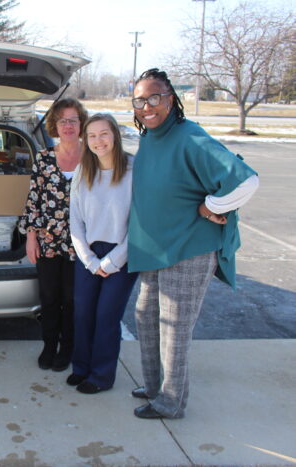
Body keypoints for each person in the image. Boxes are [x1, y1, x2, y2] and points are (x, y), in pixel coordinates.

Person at [128, 68, 259, 419]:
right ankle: (154, 385)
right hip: (155, 248)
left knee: (174, 328)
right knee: (145, 316)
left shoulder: (189, 136)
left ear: (171, 99)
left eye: (154, 97)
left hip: (187, 249)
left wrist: (212, 206)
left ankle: (171, 402)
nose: (147, 106)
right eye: (140, 100)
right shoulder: (151, 137)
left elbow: (246, 181)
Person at [67, 113, 137, 394]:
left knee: (106, 316)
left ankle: (101, 376)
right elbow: (75, 220)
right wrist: (89, 259)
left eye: (104, 134)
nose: (98, 141)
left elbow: (141, 223)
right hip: (89, 253)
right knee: (83, 313)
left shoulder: (134, 169)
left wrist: (113, 261)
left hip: (123, 254)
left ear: (115, 135)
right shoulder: (83, 171)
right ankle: (81, 368)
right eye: (92, 136)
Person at [19, 98, 88, 371]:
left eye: (73, 120)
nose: (68, 125)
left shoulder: (93, 156)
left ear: (81, 123)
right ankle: (49, 344)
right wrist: (31, 237)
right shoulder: (44, 158)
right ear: (55, 126)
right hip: (47, 240)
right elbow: (33, 199)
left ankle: (67, 347)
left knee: (72, 298)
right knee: (49, 297)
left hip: (81, 243)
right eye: (63, 120)